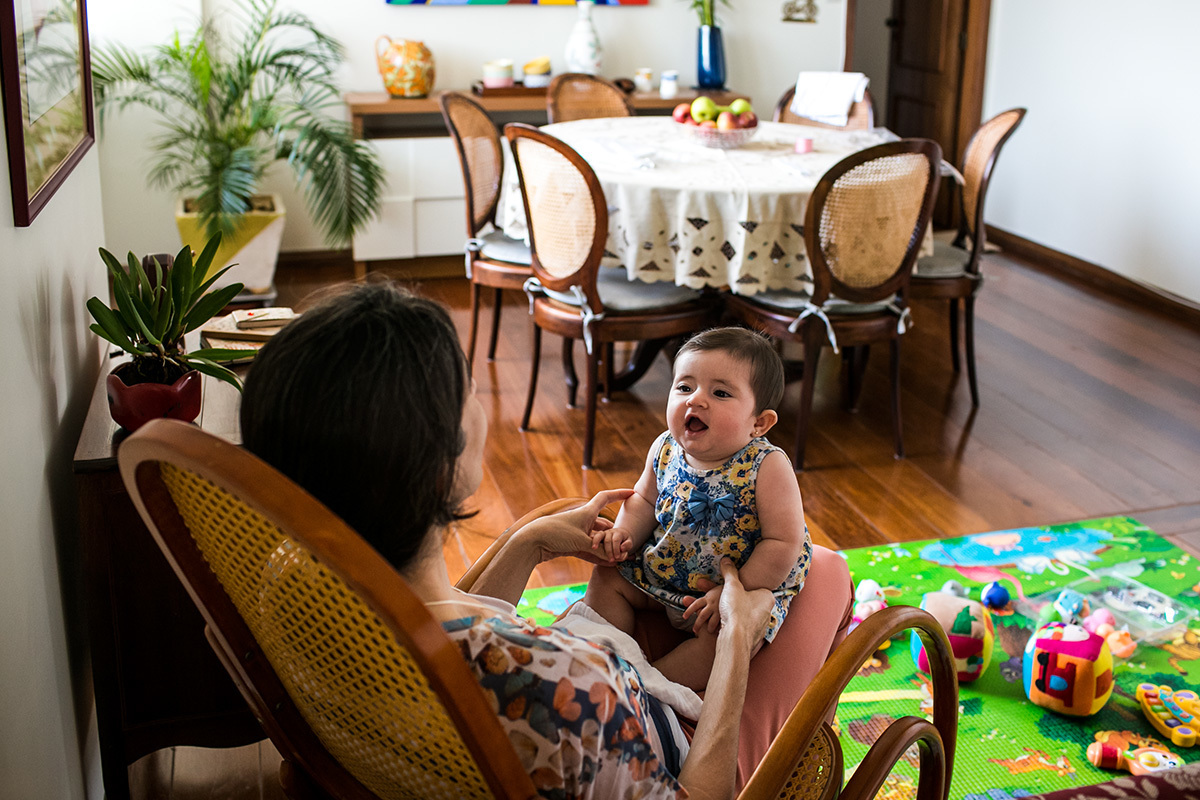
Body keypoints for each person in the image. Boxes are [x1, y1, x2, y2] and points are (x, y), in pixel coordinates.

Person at [239, 281, 853, 799]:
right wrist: (740, 633)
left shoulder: (286, 587)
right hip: (672, 758)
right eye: (470, 393)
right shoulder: (564, 680)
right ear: (439, 467)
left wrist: (530, 541)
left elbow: (461, 615)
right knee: (824, 571)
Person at [584, 328, 813, 690]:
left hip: (732, 589)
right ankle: (602, 656)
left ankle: (649, 686)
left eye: (720, 393)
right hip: (667, 568)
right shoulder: (665, 447)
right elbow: (644, 499)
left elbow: (783, 541)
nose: (696, 400)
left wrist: (732, 592)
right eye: (685, 387)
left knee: (724, 644)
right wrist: (624, 535)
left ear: (759, 423)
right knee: (608, 577)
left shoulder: (767, 466)